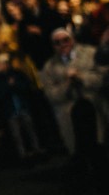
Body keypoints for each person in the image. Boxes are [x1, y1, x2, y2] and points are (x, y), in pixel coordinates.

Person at [40, 28, 104, 156]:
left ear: (72, 40)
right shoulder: (49, 67)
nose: (62, 45)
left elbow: (101, 79)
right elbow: (51, 95)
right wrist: (67, 84)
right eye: (57, 42)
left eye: (65, 40)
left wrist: (81, 77)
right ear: (53, 46)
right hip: (68, 105)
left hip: (92, 98)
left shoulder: (90, 53)